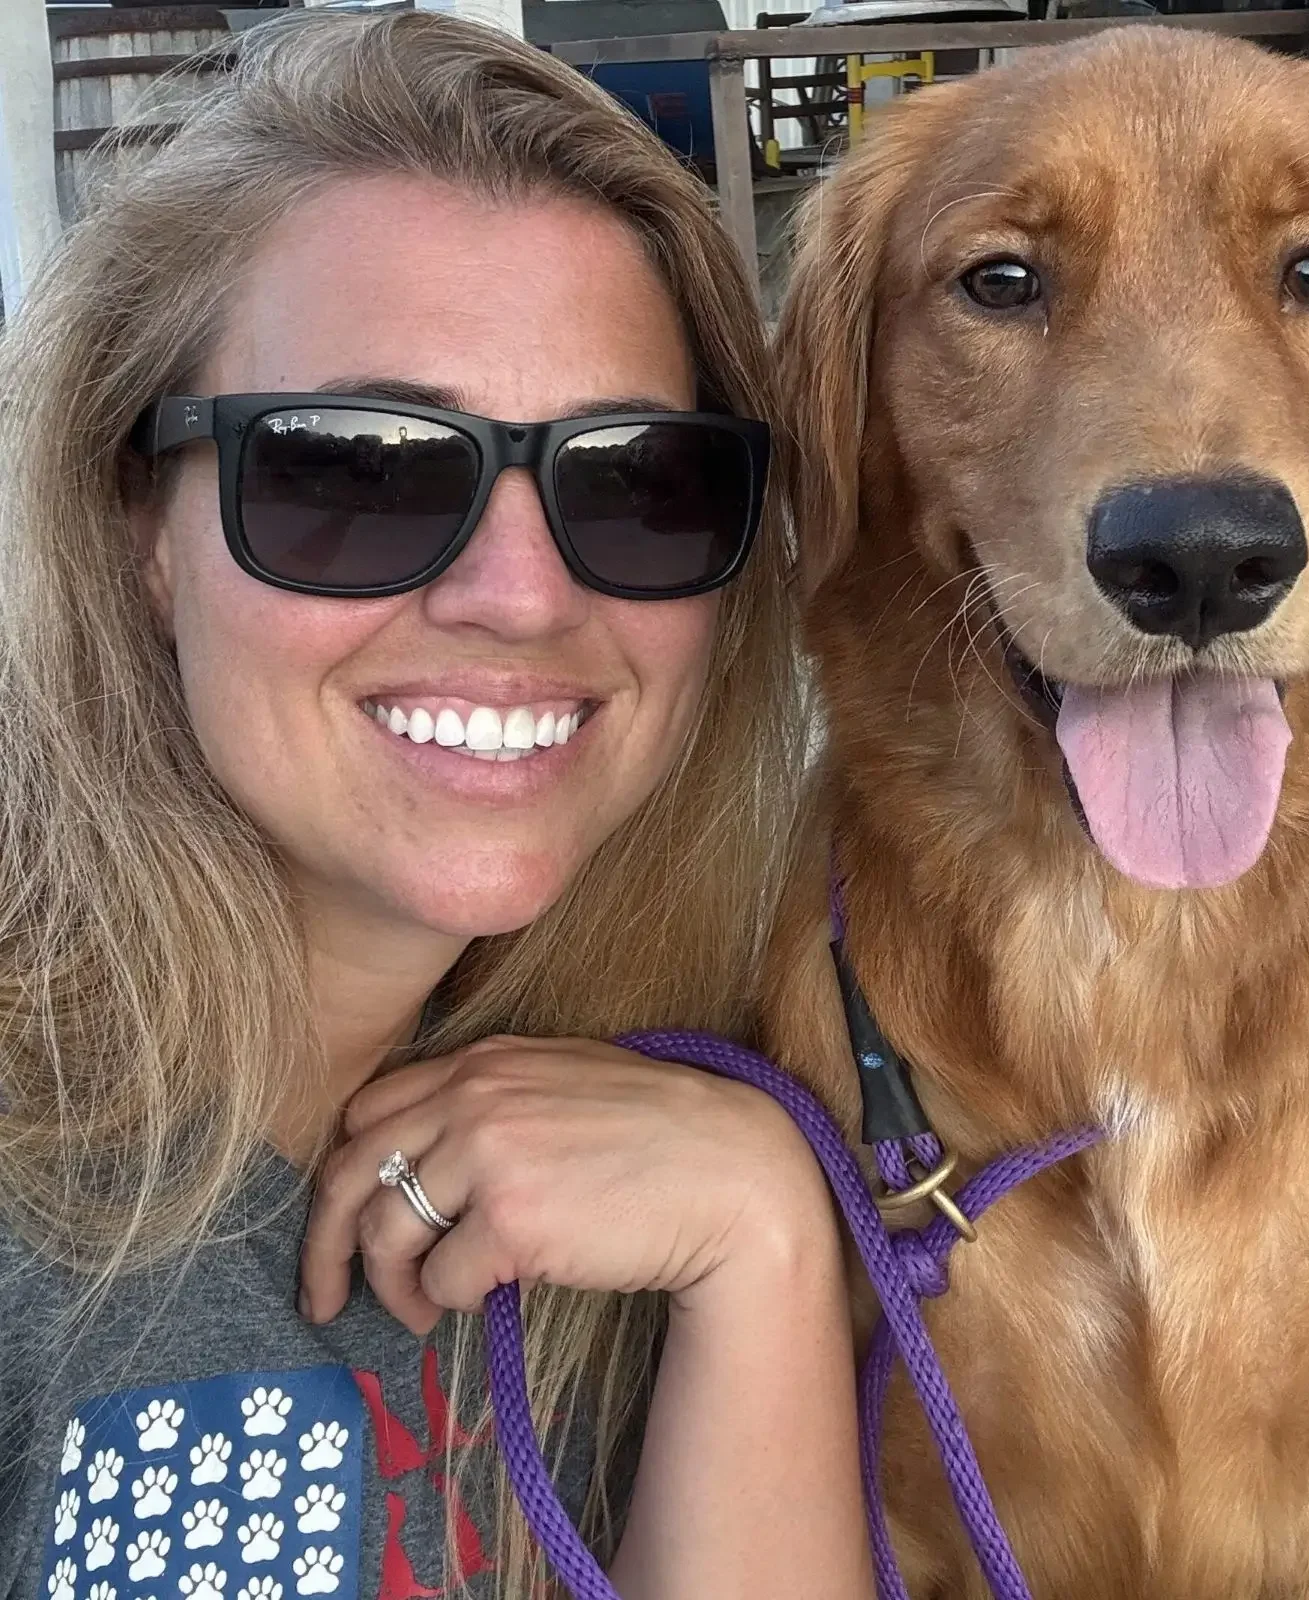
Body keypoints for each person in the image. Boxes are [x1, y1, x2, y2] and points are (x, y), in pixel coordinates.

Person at [0, 13, 872, 1600]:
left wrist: (763, 1238)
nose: (526, 597)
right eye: (361, 469)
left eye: (636, 479)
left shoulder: (711, 1101)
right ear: (140, 525)